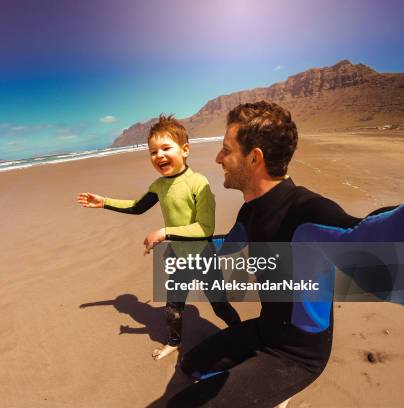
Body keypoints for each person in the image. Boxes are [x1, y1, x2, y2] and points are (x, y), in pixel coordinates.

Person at [168, 101, 402, 407]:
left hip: (297, 355)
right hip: (266, 330)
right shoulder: (250, 211)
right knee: (191, 365)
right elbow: (229, 245)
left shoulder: (308, 213)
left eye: (227, 149)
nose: (218, 158)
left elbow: (374, 240)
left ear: (254, 158)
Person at [77, 114, 240, 360]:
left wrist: (164, 232)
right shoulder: (159, 186)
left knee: (220, 305)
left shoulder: (198, 183)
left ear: (185, 150)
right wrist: (105, 202)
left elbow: (205, 228)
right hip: (179, 258)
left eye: (166, 148)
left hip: (203, 256)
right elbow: (137, 206)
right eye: (153, 152)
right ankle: (174, 342)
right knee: (173, 307)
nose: (159, 156)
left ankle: (242, 336)